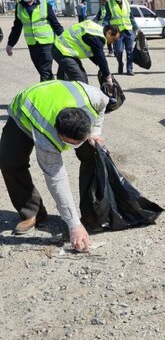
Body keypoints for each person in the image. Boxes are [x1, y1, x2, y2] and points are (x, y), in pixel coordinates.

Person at [0, 80, 111, 252]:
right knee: (10, 161)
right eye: (70, 143)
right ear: (58, 133)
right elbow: (56, 178)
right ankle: (33, 212)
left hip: (55, 96)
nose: (73, 146)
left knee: (92, 151)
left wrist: (95, 133)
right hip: (23, 115)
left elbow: (104, 105)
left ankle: (92, 212)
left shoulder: (94, 98)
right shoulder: (46, 134)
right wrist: (74, 226)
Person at [6, 0, 64, 82]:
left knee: (45, 71)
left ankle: (45, 94)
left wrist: (65, 37)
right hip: (32, 45)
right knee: (43, 71)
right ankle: (53, 86)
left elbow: (55, 24)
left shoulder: (45, 5)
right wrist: (10, 44)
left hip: (47, 43)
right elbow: (16, 27)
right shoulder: (19, 7)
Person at [53, 20, 120, 84]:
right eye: (114, 39)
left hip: (63, 48)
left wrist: (102, 67)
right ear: (109, 32)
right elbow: (100, 57)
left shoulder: (97, 30)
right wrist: (107, 75)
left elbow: (94, 54)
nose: (113, 42)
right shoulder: (98, 37)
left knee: (66, 79)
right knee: (81, 80)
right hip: (64, 50)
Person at [102, 0, 139, 75]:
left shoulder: (126, 3)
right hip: (117, 32)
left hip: (128, 31)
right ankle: (120, 63)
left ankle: (129, 69)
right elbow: (107, 17)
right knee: (119, 51)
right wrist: (103, 27)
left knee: (129, 51)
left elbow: (131, 17)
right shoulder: (109, 4)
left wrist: (136, 28)